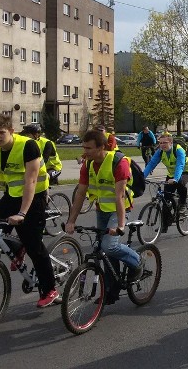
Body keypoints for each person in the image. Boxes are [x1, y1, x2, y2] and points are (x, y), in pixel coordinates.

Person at [0, 114, 59, 308]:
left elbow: (31, 181)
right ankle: (18, 247)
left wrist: (22, 213)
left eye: (1, 132)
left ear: (11, 131)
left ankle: (49, 289)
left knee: (34, 245)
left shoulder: (28, 146)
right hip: (12, 195)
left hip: (35, 197)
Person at [66, 130, 143, 305]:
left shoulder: (119, 162)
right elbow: (80, 194)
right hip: (102, 209)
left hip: (119, 208)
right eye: (83, 147)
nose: (85, 152)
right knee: (105, 252)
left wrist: (121, 225)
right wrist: (71, 220)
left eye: (89, 148)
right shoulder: (87, 164)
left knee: (110, 246)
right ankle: (111, 290)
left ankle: (137, 261)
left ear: (102, 147)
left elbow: (120, 196)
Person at [144, 132, 188, 229]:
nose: (162, 145)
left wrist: (176, 179)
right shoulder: (160, 152)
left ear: (171, 143)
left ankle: (183, 204)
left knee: (181, 183)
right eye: (160, 143)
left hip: (185, 170)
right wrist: (142, 177)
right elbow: (151, 164)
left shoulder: (178, 150)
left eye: (165, 143)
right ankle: (164, 225)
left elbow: (180, 165)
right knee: (166, 197)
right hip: (172, 174)